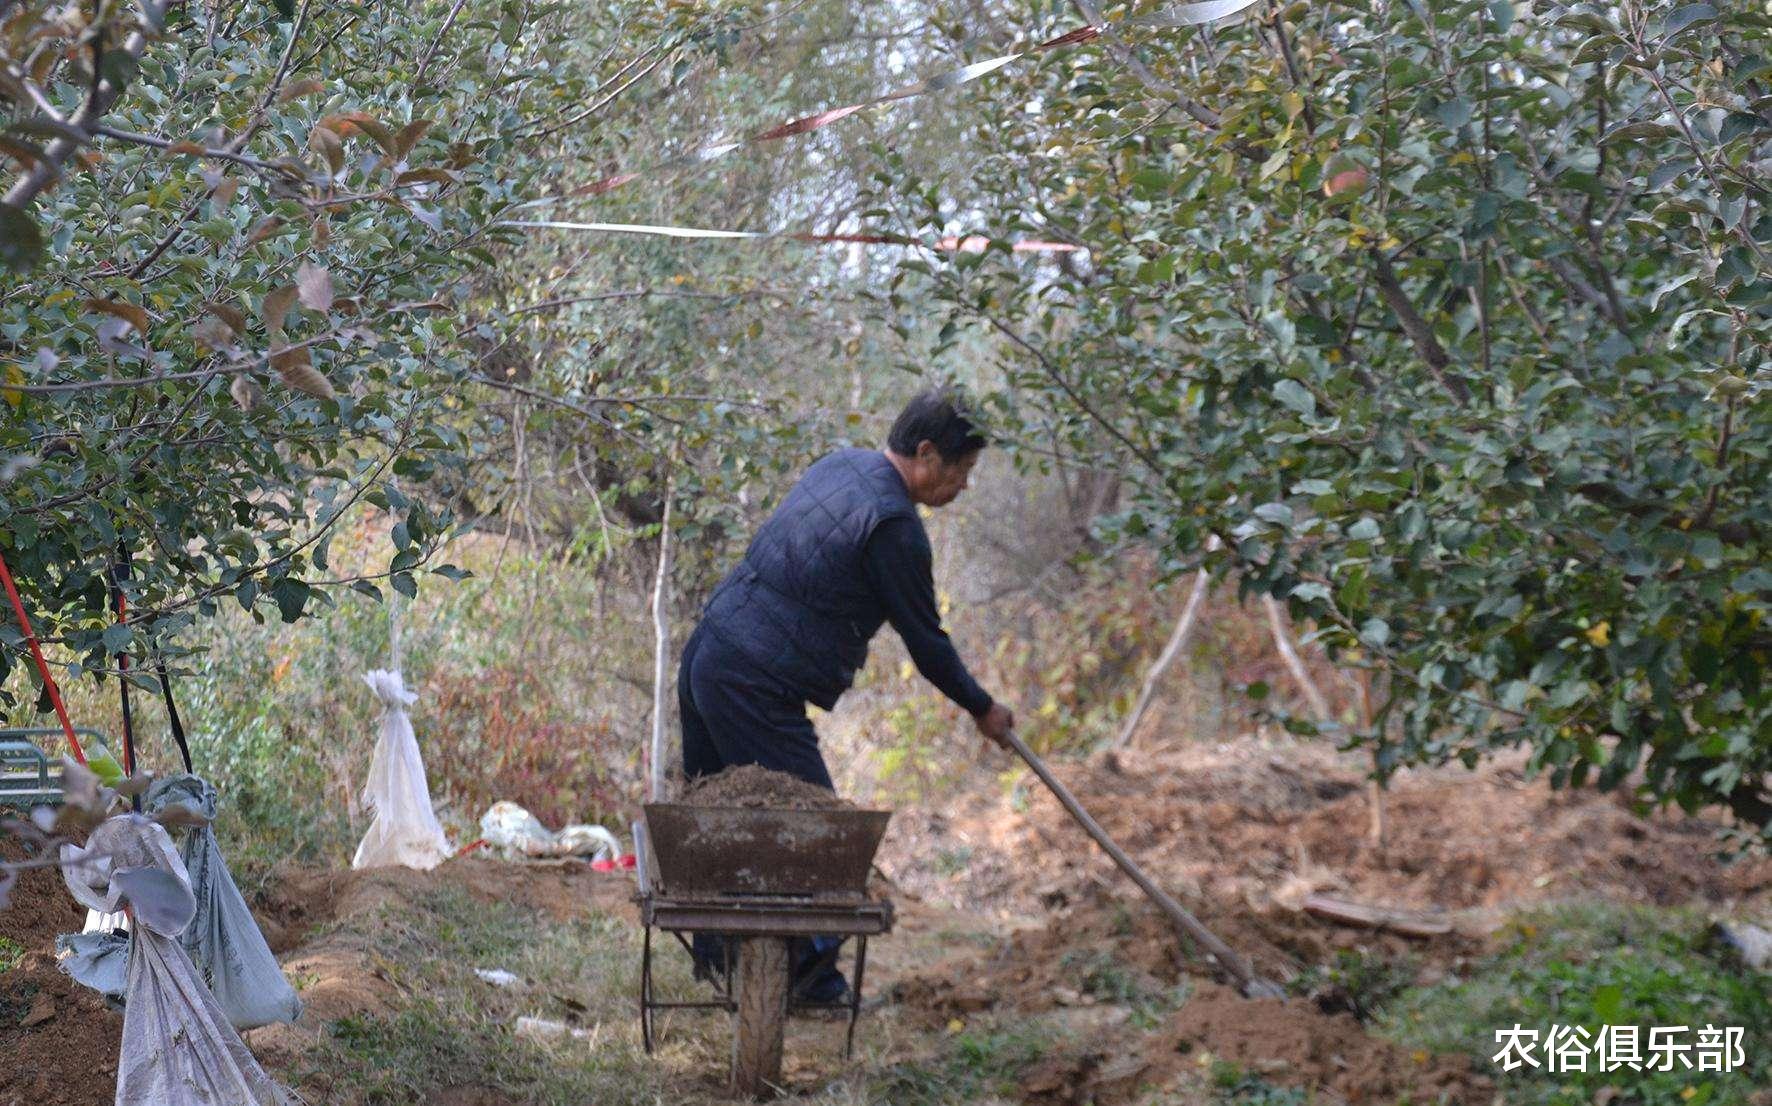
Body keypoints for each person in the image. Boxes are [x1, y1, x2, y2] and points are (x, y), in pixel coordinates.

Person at [676, 387, 1015, 1003]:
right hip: (751, 679)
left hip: (710, 649)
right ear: (927, 452)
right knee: (815, 832)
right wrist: (982, 707)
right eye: (963, 470)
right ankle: (814, 986)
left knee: (715, 818)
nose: (964, 486)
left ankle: (726, 964)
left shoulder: (841, 464)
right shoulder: (895, 527)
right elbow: (927, 643)